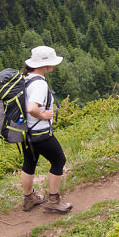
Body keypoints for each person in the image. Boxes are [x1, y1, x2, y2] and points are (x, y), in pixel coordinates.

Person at [19, 45, 73, 213]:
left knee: (29, 163)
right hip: (40, 133)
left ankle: (29, 199)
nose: (54, 65)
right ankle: (53, 200)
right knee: (59, 161)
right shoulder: (39, 84)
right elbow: (31, 108)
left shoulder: (26, 78)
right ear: (44, 65)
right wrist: (44, 116)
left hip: (25, 132)